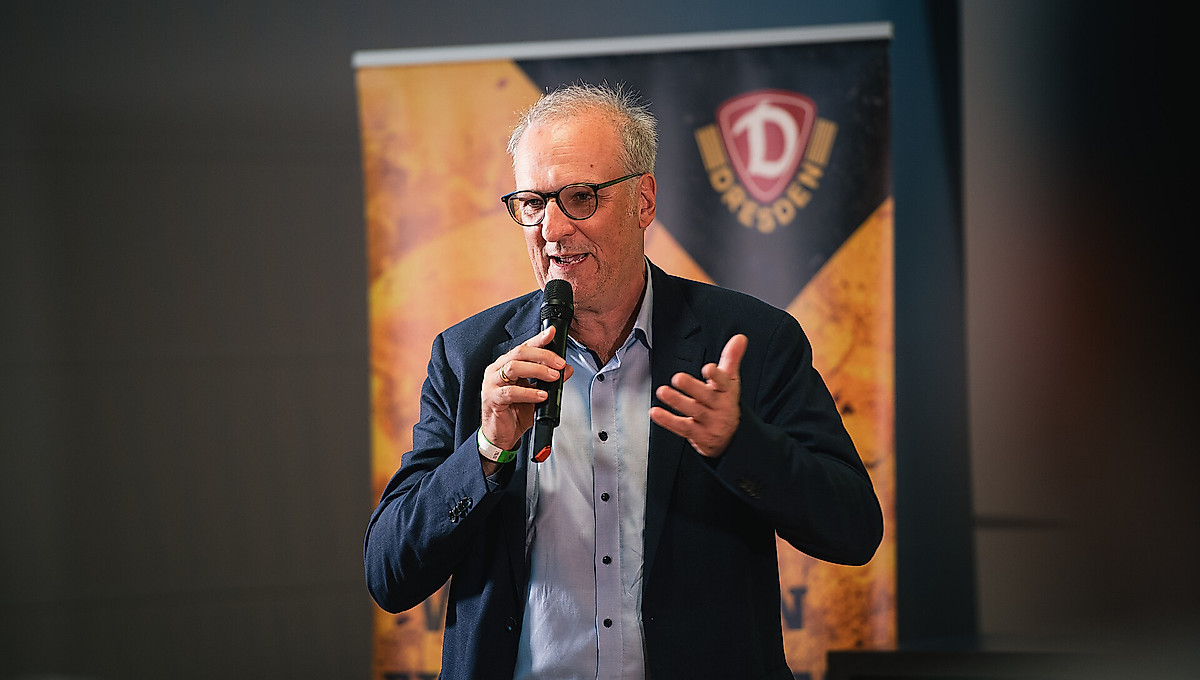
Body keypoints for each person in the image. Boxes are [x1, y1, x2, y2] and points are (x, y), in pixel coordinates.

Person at [364, 82, 883, 680]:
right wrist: (485, 451)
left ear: (643, 202)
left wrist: (740, 445)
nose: (552, 229)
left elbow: (854, 532)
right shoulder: (467, 357)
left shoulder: (749, 341)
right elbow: (389, 575)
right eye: (533, 202)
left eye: (580, 197)